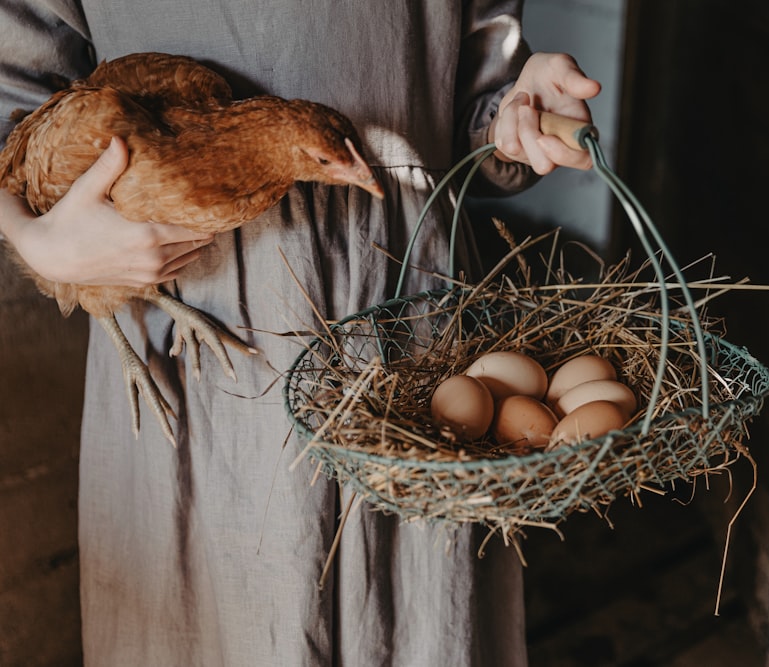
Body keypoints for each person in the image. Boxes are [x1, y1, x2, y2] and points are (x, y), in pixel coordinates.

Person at [0, 2, 601, 665]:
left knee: (412, 612)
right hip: (202, 314)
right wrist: (37, 239)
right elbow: (11, 102)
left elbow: (472, 103)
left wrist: (516, 112)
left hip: (405, 313)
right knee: (225, 616)